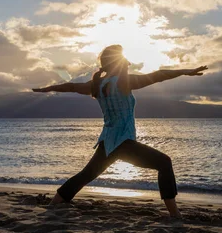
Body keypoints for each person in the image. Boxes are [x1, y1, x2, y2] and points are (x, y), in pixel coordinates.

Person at [32, 44, 207, 218]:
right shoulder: (124, 82)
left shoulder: (96, 85)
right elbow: (158, 76)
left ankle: (54, 204)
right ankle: (175, 214)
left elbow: (70, 86)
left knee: (86, 175)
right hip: (123, 142)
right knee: (164, 163)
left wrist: (48, 88)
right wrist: (185, 71)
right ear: (120, 62)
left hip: (107, 141)